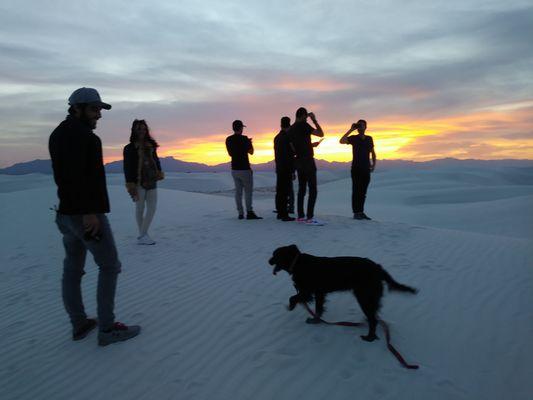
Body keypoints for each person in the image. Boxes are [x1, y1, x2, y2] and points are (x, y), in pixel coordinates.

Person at [49, 87, 141, 346]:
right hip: (86, 215)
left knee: (73, 269)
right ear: (76, 108)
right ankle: (108, 329)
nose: (99, 115)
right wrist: (90, 213)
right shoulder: (87, 138)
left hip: (66, 213)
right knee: (109, 265)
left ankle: (79, 323)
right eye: (94, 109)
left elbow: (65, 177)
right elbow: (80, 178)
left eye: (100, 109)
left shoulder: (57, 135)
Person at [123, 119, 164, 245]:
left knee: (152, 208)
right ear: (134, 130)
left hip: (151, 180)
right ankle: (143, 235)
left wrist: (159, 172)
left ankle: (142, 234)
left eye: (144, 128)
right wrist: (130, 184)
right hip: (138, 182)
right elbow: (127, 167)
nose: (142, 131)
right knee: (140, 208)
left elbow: (156, 161)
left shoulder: (151, 146)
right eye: (139, 128)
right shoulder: (129, 148)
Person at [288, 107, 324, 225]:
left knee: (301, 189)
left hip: (298, 161)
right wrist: (314, 120)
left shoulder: (291, 129)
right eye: (306, 117)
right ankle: (309, 217)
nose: (307, 119)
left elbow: (294, 147)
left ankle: (300, 216)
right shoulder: (304, 125)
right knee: (313, 189)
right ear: (303, 116)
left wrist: (309, 145)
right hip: (308, 161)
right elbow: (320, 133)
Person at [339, 119, 376, 220]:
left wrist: (373, 164)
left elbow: (372, 152)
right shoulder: (353, 138)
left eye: (362, 125)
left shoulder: (369, 138)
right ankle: (356, 213)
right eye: (358, 125)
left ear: (366, 127)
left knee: (363, 192)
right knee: (356, 191)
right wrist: (351, 130)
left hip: (366, 168)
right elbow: (341, 141)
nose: (360, 127)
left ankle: (361, 212)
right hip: (356, 168)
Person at [225, 120, 262, 220]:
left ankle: (240, 213)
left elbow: (230, 154)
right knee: (248, 192)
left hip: (234, 169)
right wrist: (250, 143)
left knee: (238, 192)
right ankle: (249, 212)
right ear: (241, 128)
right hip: (245, 169)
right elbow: (251, 152)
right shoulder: (245, 139)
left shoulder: (228, 139)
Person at [274, 116, 296, 221]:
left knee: (279, 191)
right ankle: (284, 214)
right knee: (286, 191)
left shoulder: (277, 137)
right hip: (286, 167)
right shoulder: (288, 137)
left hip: (279, 167)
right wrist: (293, 170)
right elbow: (292, 153)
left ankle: (280, 212)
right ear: (289, 125)